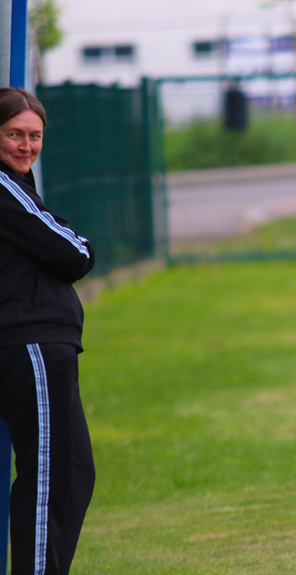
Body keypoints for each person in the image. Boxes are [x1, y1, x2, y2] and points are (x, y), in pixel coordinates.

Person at [0, 87, 96, 574]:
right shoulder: (3, 186)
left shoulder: (21, 184)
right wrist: (81, 245)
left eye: (34, 136)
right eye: (14, 133)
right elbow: (72, 253)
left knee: (75, 475)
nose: (25, 145)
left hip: (47, 345)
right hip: (29, 345)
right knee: (46, 483)